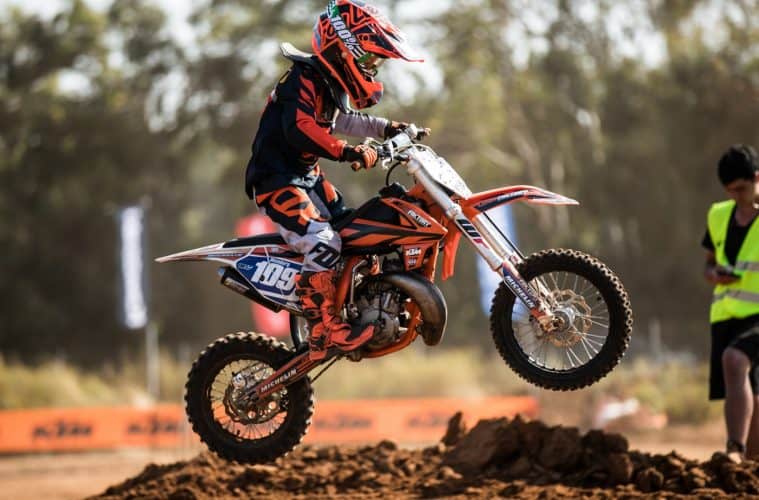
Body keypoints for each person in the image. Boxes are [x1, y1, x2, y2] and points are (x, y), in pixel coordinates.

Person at [244, 0, 427, 361]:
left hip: (307, 177)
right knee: (324, 241)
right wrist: (348, 152)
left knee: (357, 232)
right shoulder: (302, 78)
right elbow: (300, 129)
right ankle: (322, 328)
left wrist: (390, 128)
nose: (373, 68)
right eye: (370, 59)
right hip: (276, 181)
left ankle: (359, 303)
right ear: (344, 48)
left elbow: (345, 120)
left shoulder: (328, 84)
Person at [702, 144, 759, 463]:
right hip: (726, 316)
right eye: (731, 191)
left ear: (757, 178)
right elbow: (709, 263)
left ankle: (734, 450)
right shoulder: (718, 214)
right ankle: (750, 468)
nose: (737, 196)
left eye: (742, 189)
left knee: (734, 360)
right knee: (753, 391)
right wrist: (714, 275)